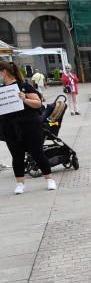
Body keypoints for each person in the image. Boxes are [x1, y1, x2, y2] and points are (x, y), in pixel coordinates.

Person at [0, 61, 56, 194]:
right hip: (10, 127)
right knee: (17, 155)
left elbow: (38, 104)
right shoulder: (1, 90)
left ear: (4, 72)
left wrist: (24, 99)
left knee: (37, 153)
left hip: (30, 125)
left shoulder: (23, 86)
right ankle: (20, 183)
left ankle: (49, 179)